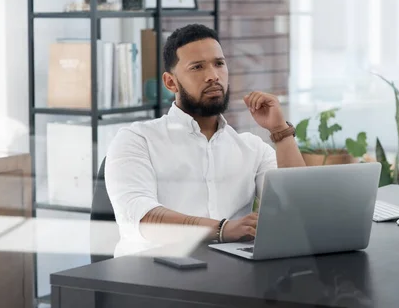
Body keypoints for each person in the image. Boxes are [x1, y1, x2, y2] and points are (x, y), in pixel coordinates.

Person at [105, 24, 305, 255]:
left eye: (219, 63)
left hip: (232, 275)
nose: (213, 76)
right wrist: (222, 230)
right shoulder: (137, 139)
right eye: (197, 67)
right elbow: (141, 216)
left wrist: (280, 131)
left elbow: (297, 210)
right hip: (153, 275)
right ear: (171, 82)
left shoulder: (252, 148)